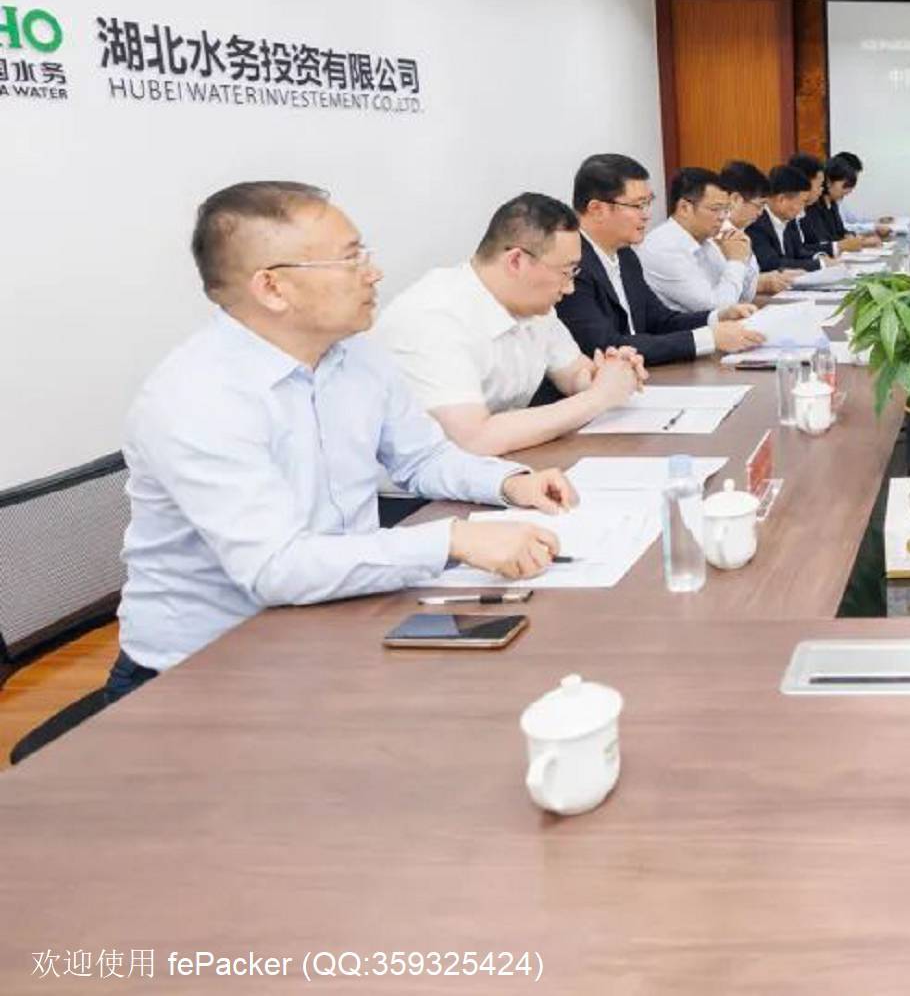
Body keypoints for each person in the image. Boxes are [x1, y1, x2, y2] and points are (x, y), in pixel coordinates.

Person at [113, 181, 574, 695]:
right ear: (273, 288)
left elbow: (423, 457)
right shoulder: (197, 397)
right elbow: (276, 567)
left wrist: (508, 483)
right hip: (207, 673)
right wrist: (453, 540)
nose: (373, 273)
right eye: (351, 259)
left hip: (339, 620)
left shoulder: (358, 354)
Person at [374, 192, 649, 457]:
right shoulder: (434, 316)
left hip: (502, 466)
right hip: (422, 485)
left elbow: (574, 373)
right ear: (516, 261)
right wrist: (597, 398)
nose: (570, 288)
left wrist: (609, 373)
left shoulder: (535, 307)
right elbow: (473, 439)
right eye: (566, 272)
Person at [562, 153, 764, 370]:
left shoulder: (626, 255)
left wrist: (718, 317)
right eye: (638, 205)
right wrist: (709, 338)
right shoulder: (570, 265)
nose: (646, 215)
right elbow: (605, 346)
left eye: (647, 203)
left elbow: (660, 321)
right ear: (596, 209)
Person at [636, 163, 767, 317]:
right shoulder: (664, 248)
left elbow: (744, 297)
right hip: (686, 330)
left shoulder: (708, 240)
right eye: (715, 209)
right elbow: (716, 309)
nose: (723, 217)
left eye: (726, 210)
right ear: (684, 208)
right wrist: (736, 262)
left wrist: (745, 255)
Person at [717, 160, 795, 297]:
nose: (760, 213)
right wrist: (761, 283)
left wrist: (771, 277)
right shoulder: (718, 235)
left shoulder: (741, 231)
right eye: (759, 205)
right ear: (735, 199)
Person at [747, 163, 829, 272]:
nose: (802, 208)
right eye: (802, 202)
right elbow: (771, 263)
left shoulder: (788, 219)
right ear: (782, 199)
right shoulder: (756, 222)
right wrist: (820, 264)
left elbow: (798, 252)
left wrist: (819, 257)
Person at [820, 155, 886, 250]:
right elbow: (822, 241)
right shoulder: (814, 206)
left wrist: (852, 237)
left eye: (850, 186)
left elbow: (841, 231)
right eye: (845, 186)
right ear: (829, 182)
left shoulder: (833, 204)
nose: (848, 191)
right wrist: (858, 242)